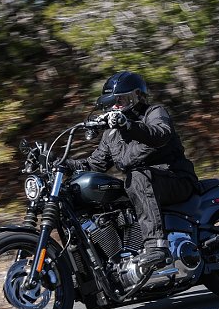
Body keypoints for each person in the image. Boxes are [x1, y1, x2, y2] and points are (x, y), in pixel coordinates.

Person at [65, 71, 197, 272]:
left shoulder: (154, 112)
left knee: (136, 177)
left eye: (122, 100)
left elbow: (160, 134)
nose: (116, 106)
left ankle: (156, 246)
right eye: (113, 102)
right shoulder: (111, 135)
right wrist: (61, 164)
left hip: (175, 178)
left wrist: (128, 125)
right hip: (146, 184)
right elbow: (94, 164)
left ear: (137, 96)